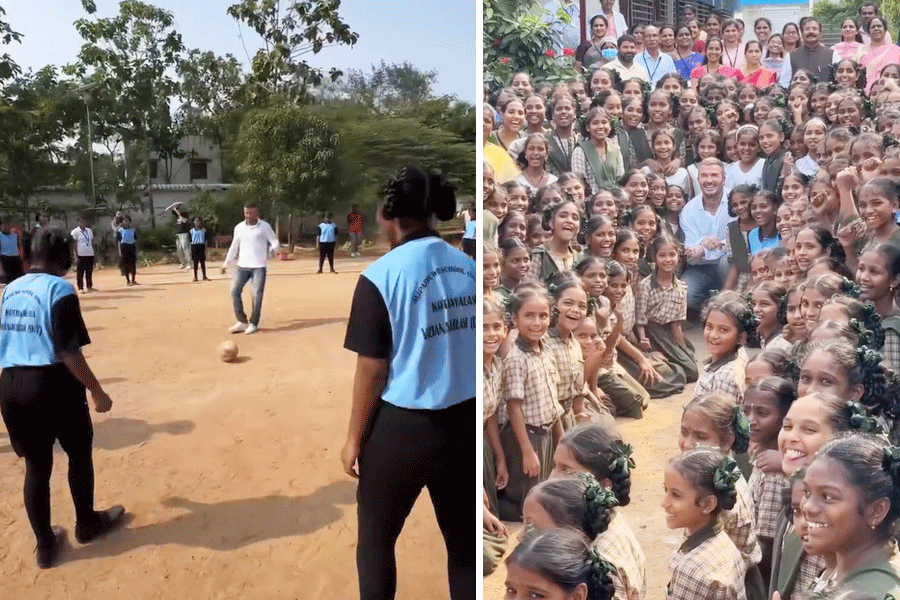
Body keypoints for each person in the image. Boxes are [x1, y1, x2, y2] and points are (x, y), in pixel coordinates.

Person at [341, 166, 474, 600]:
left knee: (376, 544)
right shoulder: (468, 266)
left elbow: (372, 370)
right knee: (464, 547)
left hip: (407, 429)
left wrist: (354, 439)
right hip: (466, 423)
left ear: (388, 214)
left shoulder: (381, 275)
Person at [0, 228, 124, 569]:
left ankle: (45, 546)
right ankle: (86, 522)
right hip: (52, 383)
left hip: (12, 385)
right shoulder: (59, 289)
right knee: (79, 454)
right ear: (63, 256)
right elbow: (69, 352)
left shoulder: (11, 289)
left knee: (36, 466)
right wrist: (97, 390)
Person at [680, 158, 734, 311]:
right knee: (685, 294)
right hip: (701, 268)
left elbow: (734, 242)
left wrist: (704, 250)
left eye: (714, 175)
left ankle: (728, 303)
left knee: (725, 262)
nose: (709, 180)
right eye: (704, 176)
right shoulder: (688, 210)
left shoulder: (734, 202)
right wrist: (702, 244)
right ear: (698, 180)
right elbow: (691, 250)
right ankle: (708, 308)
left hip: (729, 265)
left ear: (724, 179)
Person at [222, 202, 279, 335]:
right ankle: (242, 321)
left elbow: (274, 241)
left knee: (257, 294)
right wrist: (226, 263)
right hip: (242, 266)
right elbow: (234, 247)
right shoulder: (239, 228)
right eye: (246, 213)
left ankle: (254, 323)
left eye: (251, 213)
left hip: (259, 266)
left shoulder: (264, 227)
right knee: (234, 291)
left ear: (256, 212)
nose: (248, 215)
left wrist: (273, 249)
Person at [779, 18, 839, 88]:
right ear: (801, 34)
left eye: (814, 29)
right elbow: (784, 83)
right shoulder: (791, 56)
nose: (811, 32)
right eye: (807, 29)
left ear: (820, 34)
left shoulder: (832, 54)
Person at [70, 216, 96, 294]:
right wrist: (75, 256)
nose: (82, 223)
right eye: (81, 222)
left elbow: (91, 242)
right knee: (80, 272)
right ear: (78, 222)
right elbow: (74, 244)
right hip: (81, 254)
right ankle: (80, 287)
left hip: (89, 253)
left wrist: (94, 253)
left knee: (89, 271)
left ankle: (89, 286)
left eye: (84, 221)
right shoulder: (75, 232)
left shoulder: (89, 231)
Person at [116, 216, 138, 286]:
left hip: (132, 247)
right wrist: (120, 251)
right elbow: (119, 242)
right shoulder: (120, 230)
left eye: (127, 221)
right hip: (124, 247)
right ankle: (128, 280)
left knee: (133, 264)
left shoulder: (133, 230)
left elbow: (135, 240)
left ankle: (133, 280)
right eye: (125, 221)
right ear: (122, 222)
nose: (126, 222)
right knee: (126, 264)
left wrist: (136, 250)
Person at [172, 203, 191, 270]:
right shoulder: (177, 220)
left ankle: (189, 263)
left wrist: (175, 208)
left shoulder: (185, 218)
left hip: (184, 234)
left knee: (185, 249)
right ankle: (183, 263)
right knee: (179, 249)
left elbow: (180, 216)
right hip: (178, 235)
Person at [190, 217, 209, 282]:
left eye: (199, 221)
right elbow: (190, 240)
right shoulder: (191, 231)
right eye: (196, 221)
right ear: (194, 222)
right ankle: (195, 276)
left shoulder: (204, 230)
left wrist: (206, 248)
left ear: (201, 223)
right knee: (195, 263)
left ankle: (204, 276)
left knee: (202, 262)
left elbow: (206, 239)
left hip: (201, 246)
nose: (197, 222)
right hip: (194, 246)